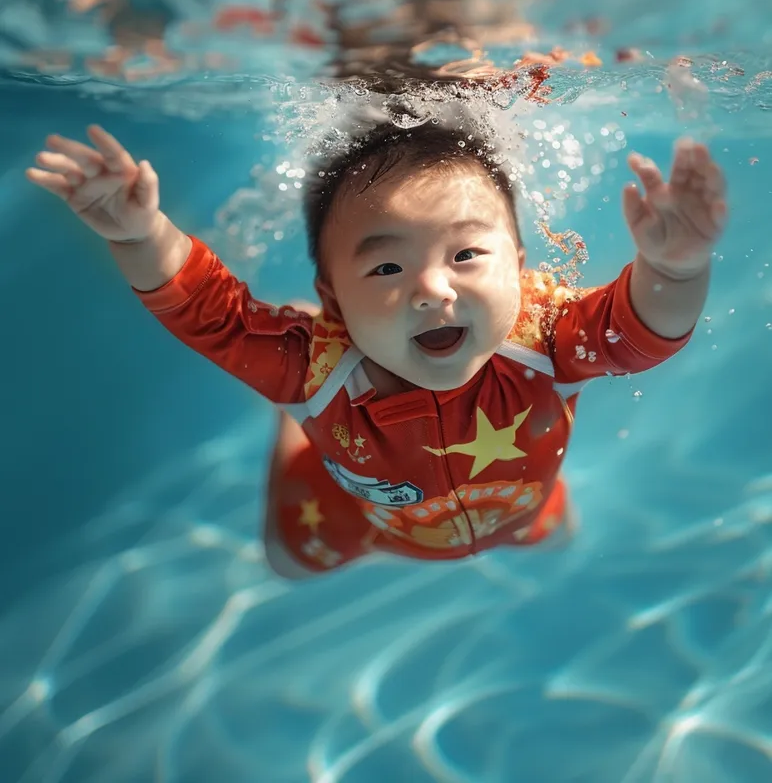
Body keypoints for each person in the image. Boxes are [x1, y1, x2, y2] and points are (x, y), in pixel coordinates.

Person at [26, 107, 727, 578]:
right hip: (354, 519)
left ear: (519, 267)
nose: (432, 290)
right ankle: (290, 432)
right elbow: (214, 314)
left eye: (466, 256)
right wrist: (141, 235)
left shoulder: (547, 337)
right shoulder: (318, 368)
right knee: (286, 561)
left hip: (512, 506)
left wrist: (673, 266)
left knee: (553, 531)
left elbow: (641, 333)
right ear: (332, 301)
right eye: (386, 267)